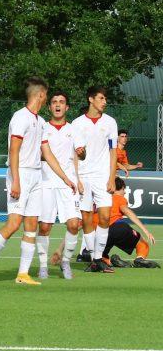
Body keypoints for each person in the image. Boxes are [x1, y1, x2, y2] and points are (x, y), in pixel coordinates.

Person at [0, 77, 76, 286]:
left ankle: (23, 273)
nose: (48, 99)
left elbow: (47, 152)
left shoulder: (40, 122)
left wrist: (65, 177)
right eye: (47, 95)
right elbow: (14, 150)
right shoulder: (20, 117)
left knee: (31, 227)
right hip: (20, 174)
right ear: (40, 95)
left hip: (36, 175)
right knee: (13, 225)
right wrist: (16, 181)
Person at [36, 91, 85, 280]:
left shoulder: (74, 130)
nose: (58, 105)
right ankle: (42, 267)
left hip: (68, 184)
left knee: (74, 225)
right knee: (45, 227)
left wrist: (81, 153)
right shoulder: (42, 128)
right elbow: (36, 153)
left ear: (67, 107)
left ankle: (65, 261)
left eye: (62, 102)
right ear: (49, 107)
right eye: (54, 102)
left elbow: (82, 155)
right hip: (46, 182)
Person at [71, 86, 119, 273]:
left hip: (102, 177)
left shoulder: (110, 122)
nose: (104, 101)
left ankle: (98, 257)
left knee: (105, 216)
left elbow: (113, 151)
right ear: (90, 99)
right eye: (101, 98)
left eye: (105, 98)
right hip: (83, 176)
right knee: (87, 218)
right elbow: (74, 153)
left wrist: (111, 177)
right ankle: (94, 259)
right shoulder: (77, 123)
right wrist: (77, 179)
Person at [96, 178, 158, 269]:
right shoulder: (119, 198)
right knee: (143, 243)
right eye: (124, 189)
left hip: (100, 232)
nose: (125, 192)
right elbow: (127, 211)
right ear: (119, 189)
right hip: (118, 228)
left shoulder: (100, 199)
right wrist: (146, 231)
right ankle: (139, 259)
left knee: (100, 257)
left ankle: (111, 262)